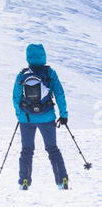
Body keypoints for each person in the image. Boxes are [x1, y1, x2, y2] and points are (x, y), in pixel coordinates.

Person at [13, 43, 69, 190]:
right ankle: (62, 180)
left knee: (27, 150)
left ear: (28, 56)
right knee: (52, 149)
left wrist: (20, 115)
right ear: (44, 55)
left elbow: (16, 97)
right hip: (47, 117)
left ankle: (24, 181)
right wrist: (63, 115)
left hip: (27, 118)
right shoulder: (50, 73)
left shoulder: (23, 74)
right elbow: (59, 94)